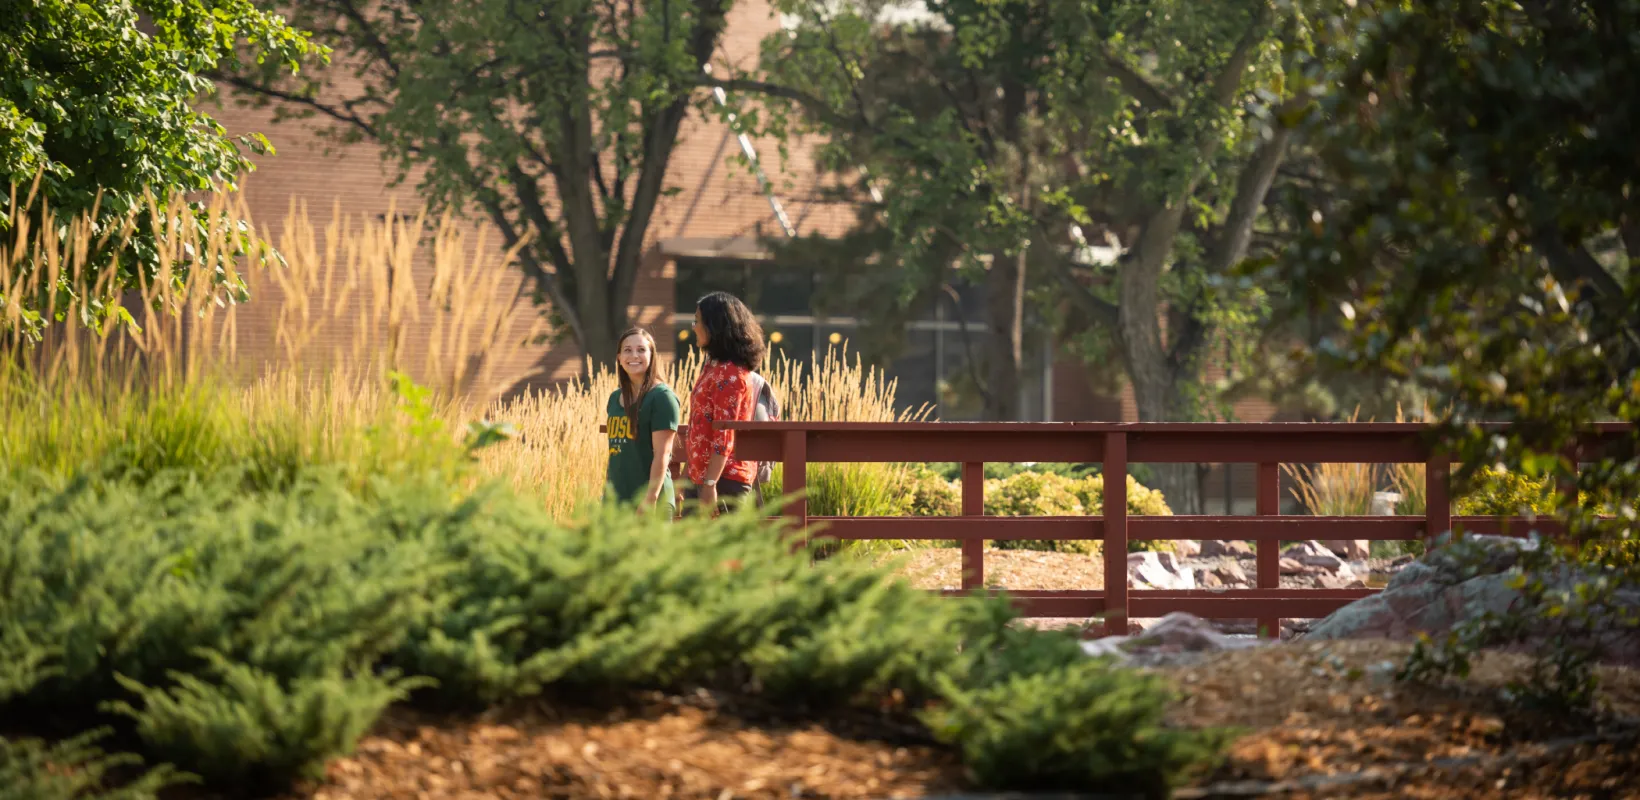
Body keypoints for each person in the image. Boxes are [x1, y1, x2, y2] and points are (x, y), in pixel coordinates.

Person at [685, 291, 765, 515]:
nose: (693, 327)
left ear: (715, 325)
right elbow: (699, 425)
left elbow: (724, 434)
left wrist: (710, 485)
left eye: (698, 321)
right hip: (701, 477)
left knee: (727, 550)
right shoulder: (712, 367)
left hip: (724, 480)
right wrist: (687, 475)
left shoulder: (731, 375)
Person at [605, 327, 681, 516]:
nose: (634, 355)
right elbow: (616, 454)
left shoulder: (662, 398)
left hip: (650, 501)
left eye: (641, 350)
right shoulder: (615, 398)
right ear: (619, 358)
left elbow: (662, 455)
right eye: (627, 350)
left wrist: (650, 498)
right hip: (617, 501)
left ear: (652, 355)